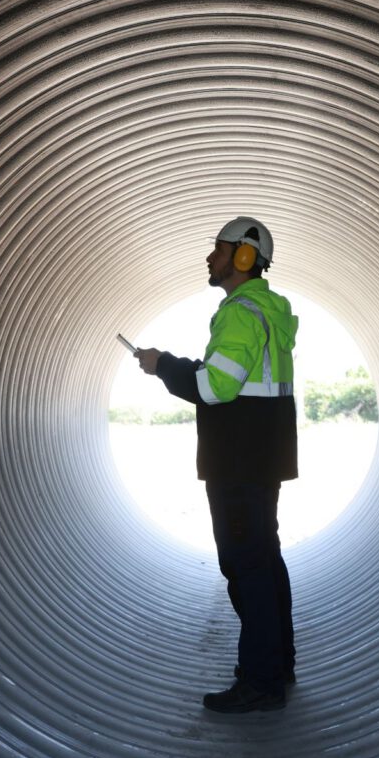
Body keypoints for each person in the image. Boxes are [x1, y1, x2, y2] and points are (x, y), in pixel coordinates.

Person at [135, 216, 299, 714]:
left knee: (245, 566)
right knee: (265, 562)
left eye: (220, 249)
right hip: (262, 455)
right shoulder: (272, 311)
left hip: (238, 459)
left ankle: (260, 681)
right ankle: (276, 663)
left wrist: (162, 364)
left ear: (245, 257)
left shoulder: (239, 311)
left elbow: (215, 387)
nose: (211, 258)